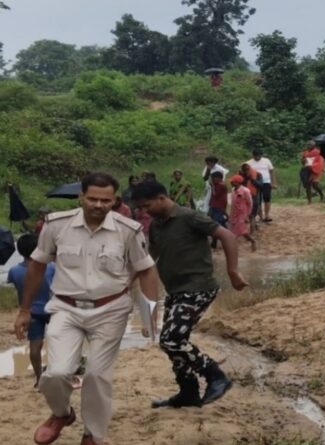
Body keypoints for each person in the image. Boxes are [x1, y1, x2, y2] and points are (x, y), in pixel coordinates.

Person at [14, 172, 159, 445]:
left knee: (96, 375)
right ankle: (61, 413)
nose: (98, 205)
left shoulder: (129, 230)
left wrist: (149, 314)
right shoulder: (56, 225)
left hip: (111, 310)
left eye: (106, 200)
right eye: (92, 198)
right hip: (65, 308)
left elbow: (147, 270)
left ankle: (93, 434)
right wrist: (24, 310)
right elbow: (37, 265)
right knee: (56, 373)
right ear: (81, 197)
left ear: (115, 200)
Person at [131, 181, 248, 409]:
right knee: (172, 342)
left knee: (171, 340)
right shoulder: (156, 225)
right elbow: (150, 256)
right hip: (176, 290)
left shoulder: (189, 217)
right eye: (141, 208)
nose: (144, 212)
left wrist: (233, 271)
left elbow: (227, 236)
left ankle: (216, 376)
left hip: (198, 287)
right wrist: (131, 278)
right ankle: (188, 391)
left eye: (147, 206)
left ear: (162, 198)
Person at [7, 234, 56, 388]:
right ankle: (58, 371)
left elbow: (14, 285)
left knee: (35, 345)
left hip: (30, 312)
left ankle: (39, 378)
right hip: (52, 309)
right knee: (58, 340)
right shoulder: (50, 267)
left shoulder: (14, 271)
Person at [246, 148, 276, 223]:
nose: (257, 157)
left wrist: (273, 182)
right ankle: (259, 216)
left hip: (266, 181)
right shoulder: (249, 163)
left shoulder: (266, 161)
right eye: (256, 156)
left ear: (261, 155)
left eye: (259, 156)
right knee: (257, 200)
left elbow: (271, 171)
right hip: (256, 183)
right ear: (253, 155)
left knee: (267, 198)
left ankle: (267, 215)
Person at [229, 175, 257, 252]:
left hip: (242, 214)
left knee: (238, 232)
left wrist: (248, 214)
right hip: (235, 213)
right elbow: (232, 203)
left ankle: (233, 249)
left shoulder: (245, 191)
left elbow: (250, 203)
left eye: (232, 182)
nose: (231, 183)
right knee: (241, 232)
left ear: (237, 182)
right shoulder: (233, 190)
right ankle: (252, 241)